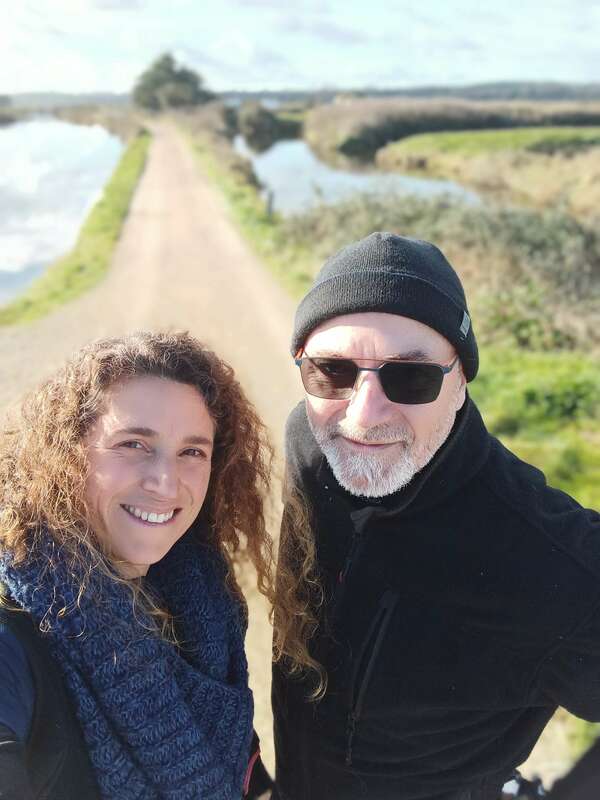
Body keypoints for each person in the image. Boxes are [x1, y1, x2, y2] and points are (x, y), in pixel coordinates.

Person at [271, 232, 600, 800]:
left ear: (461, 380)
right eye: (332, 371)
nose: (364, 415)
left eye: (411, 377)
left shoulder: (545, 557)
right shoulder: (310, 445)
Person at [0, 331, 274, 800]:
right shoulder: (14, 636)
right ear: (69, 452)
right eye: (133, 444)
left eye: (192, 452)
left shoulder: (201, 596)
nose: (165, 484)